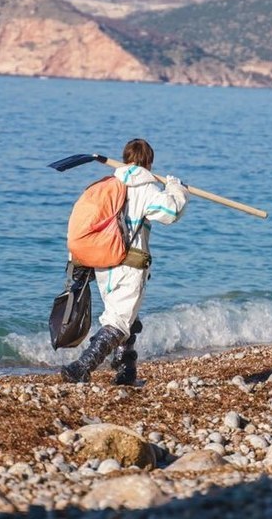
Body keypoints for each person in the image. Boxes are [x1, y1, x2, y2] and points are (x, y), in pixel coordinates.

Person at [61, 138, 189, 384]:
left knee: (125, 315)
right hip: (129, 265)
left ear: (125, 157)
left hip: (103, 263)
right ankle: (82, 367)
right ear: (148, 162)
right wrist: (177, 189)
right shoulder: (145, 187)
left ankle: (126, 371)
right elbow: (170, 212)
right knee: (119, 321)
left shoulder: (110, 184)